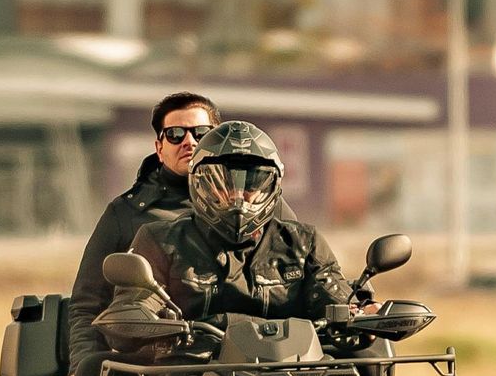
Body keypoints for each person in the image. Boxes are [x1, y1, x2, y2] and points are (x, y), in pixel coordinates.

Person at [54, 91, 221, 376]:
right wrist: (81, 372)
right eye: (176, 134)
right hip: (160, 373)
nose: (189, 142)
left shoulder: (259, 204)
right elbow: (88, 304)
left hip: (254, 368)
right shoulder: (127, 214)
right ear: (159, 147)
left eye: (201, 133)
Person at [127, 120, 354, 334]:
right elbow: (136, 305)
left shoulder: (303, 244)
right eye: (222, 184)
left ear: (272, 185)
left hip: (290, 362)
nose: (237, 196)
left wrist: (356, 314)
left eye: (251, 184)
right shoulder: (160, 240)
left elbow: (339, 304)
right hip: (190, 360)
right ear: (197, 182)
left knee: (364, 351)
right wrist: (137, 316)